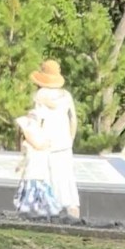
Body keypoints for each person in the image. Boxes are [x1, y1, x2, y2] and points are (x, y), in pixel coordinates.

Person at [28, 60, 79, 219]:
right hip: (64, 144)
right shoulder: (66, 95)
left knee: (47, 181)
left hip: (45, 145)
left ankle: (49, 218)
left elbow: (35, 121)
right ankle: (74, 215)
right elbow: (73, 120)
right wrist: (70, 139)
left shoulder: (39, 95)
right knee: (67, 181)